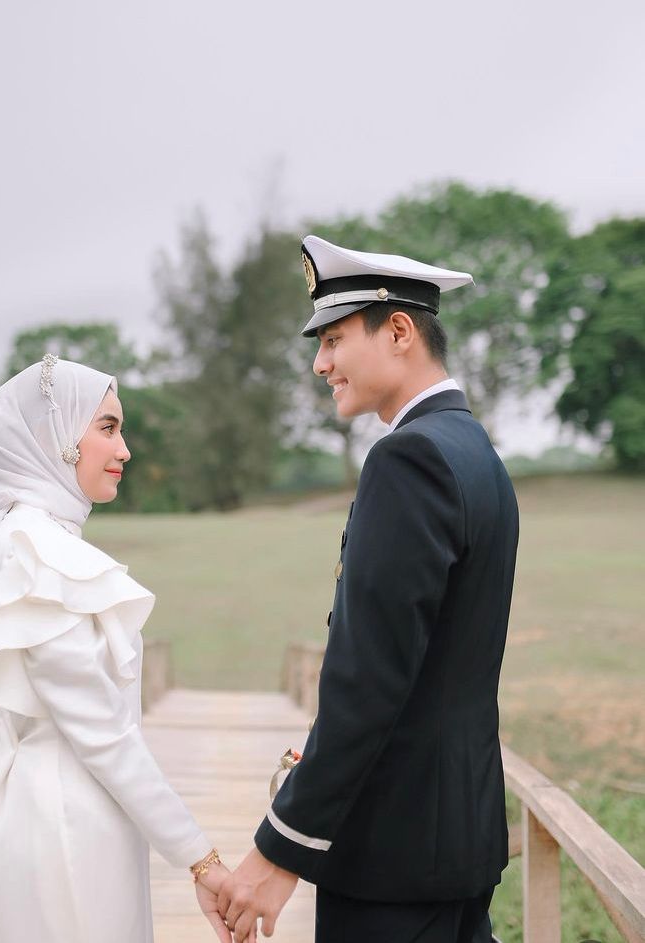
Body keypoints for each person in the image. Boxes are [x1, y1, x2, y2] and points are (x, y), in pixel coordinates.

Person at [219, 235, 519, 942]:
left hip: (395, 852)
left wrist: (279, 847)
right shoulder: (474, 451)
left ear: (399, 331)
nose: (320, 363)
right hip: (460, 835)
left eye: (333, 339)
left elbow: (369, 681)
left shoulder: (408, 459)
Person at [0, 355, 231, 943]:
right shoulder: (39, 553)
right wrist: (201, 858)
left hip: (30, 813)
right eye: (107, 428)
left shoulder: (18, 535)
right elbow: (102, 732)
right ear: (57, 435)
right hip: (57, 829)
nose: (124, 451)